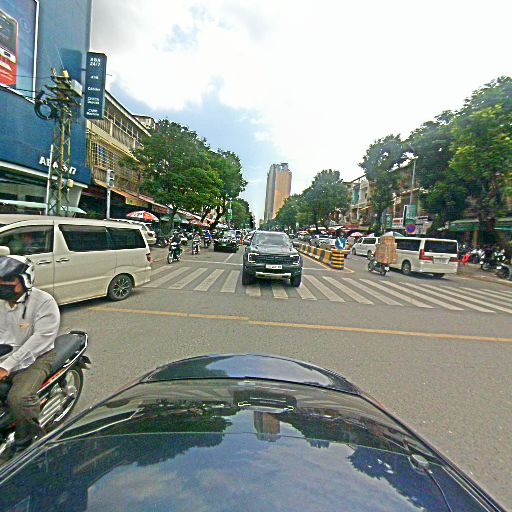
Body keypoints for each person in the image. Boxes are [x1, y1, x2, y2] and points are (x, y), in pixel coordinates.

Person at [0, 255, 59, 460]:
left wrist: (7, 366)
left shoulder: (43, 302)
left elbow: (41, 339)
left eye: (8, 280)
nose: (2, 284)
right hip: (4, 353)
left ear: (25, 280)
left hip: (36, 357)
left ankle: (26, 440)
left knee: (19, 398)